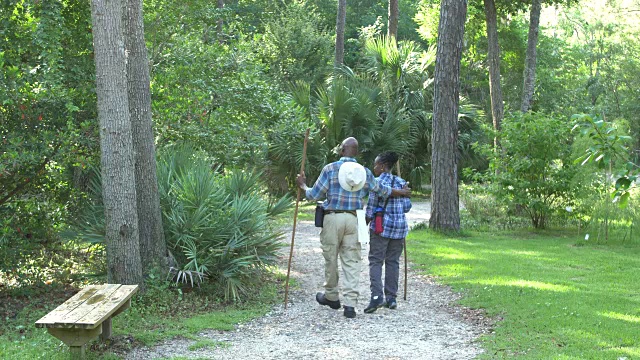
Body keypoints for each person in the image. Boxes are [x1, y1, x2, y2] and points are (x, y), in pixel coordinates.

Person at [296, 137, 410, 318]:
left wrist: (302, 185)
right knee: (352, 261)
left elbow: (314, 194)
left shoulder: (330, 169)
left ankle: (332, 296)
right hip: (355, 219)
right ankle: (350, 304)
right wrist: (401, 192)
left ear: (342, 151)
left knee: (331, 257)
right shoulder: (364, 172)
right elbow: (382, 190)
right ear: (356, 153)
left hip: (332, 217)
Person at [364, 151, 411, 313]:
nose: (374, 167)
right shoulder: (400, 182)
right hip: (399, 229)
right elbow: (407, 207)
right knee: (393, 262)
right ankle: (391, 298)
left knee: (376, 261)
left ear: (383, 166)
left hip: (381, 227)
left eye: (376, 164)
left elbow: (370, 208)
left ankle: (376, 296)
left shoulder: (376, 183)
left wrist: (365, 223)